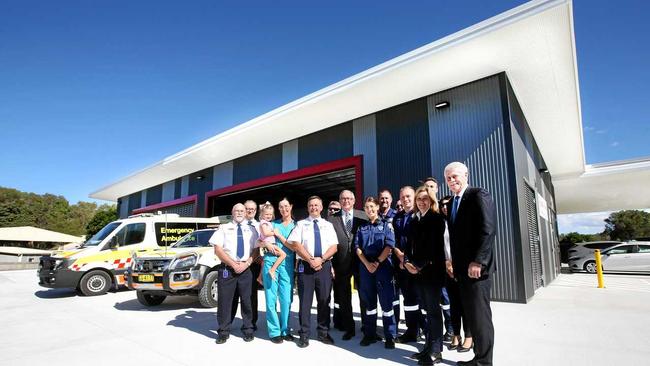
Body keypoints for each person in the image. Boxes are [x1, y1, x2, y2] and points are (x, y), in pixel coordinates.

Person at [444, 162, 497, 366]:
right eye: (448, 178)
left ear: (466, 175)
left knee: (480, 317)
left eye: (455, 176)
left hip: (476, 269)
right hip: (462, 271)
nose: (452, 180)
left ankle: (484, 362)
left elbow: (488, 229)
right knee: (472, 316)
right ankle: (478, 357)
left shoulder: (478, 194)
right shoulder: (453, 202)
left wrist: (479, 261)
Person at [288, 195, 339, 348]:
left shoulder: (328, 225)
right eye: (311, 205)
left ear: (321, 207)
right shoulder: (301, 224)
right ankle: (304, 334)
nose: (314, 208)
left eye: (317, 205)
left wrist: (321, 259)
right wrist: (310, 259)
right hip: (306, 267)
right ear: (308, 207)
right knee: (305, 302)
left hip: (324, 266)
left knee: (324, 300)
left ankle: (323, 332)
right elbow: (296, 244)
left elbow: (334, 247)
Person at [404, 186, 447, 365]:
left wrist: (418, 266)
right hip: (418, 272)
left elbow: (434, 249)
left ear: (431, 201)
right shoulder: (414, 220)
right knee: (426, 311)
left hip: (432, 272)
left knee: (434, 312)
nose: (422, 202)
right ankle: (428, 347)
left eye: (425, 199)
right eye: (419, 199)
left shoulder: (437, 219)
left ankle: (436, 351)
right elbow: (409, 244)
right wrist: (407, 261)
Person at [211, 203, 259, 344]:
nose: (239, 213)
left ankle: (248, 329)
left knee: (248, 301)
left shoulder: (251, 229)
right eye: (236, 210)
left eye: (242, 211)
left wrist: (247, 263)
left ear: (245, 213)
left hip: (246, 268)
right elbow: (218, 249)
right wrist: (233, 264)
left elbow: (256, 250)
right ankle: (223, 331)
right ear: (232, 212)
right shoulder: (223, 228)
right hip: (228, 269)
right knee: (225, 301)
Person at [355, 196, 397, 349]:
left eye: (372, 206)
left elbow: (389, 245)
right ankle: (370, 334)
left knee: (386, 303)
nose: (370, 210)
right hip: (366, 269)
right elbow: (358, 248)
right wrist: (367, 264)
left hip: (383, 268)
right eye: (367, 207)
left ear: (378, 207)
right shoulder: (361, 228)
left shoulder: (387, 225)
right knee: (369, 304)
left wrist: (377, 262)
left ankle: (390, 336)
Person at [328, 190, 367, 340]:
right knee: (344, 297)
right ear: (339, 200)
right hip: (341, 264)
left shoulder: (362, 215)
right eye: (343, 198)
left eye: (349, 198)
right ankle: (349, 328)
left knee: (364, 296)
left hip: (361, 263)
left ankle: (366, 326)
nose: (346, 201)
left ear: (354, 200)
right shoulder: (332, 219)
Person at [259, 199, 296, 344]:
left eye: (286, 206)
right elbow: (260, 240)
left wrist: (279, 236)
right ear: (278, 209)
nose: (284, 209)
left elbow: (294, 247)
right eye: (281, 207)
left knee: (286, 300)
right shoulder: (271, 224)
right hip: (270, 261)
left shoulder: (296, 226)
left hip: (287, 265)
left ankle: (285, 330)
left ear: (291, 207)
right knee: (271, 298)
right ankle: (274, 331)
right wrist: (265, 243)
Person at [393, 186, 425, 343]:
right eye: (403, 196)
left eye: (408, 196)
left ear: (414, 196)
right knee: (409, 299)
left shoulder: (420, 215)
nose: (405, 199)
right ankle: (412, 331)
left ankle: (426, 331)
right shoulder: (397, 217)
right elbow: (395, 240)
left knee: (423, 300)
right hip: (403, 266)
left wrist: (408, 261)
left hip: (419, 266)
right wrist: (400, 258)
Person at [440, 195, 473, 352]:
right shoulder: (441, 224)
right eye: (442, 205)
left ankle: (468, 336)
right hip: (447, 268)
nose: (445, 207)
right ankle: (455, 335)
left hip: (463, 268)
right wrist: (447, 264)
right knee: (454, 305)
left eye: (448, 205)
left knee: (465, 303)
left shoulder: (461, 220)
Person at [422, 176, 453, 341]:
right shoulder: (422, 211)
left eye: (432, 186)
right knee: (431, 302)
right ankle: (432, 334)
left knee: (446, 297)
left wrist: (449, 261)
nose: (429, 189)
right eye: (426, 186)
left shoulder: (442, 209)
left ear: (437, 188)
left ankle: (451, 329)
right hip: (429, 265)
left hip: (445, 262)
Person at [232, 200, 262, 330]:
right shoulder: (235, 225)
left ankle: (251, 322)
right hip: (237, 263)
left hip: (254, 264)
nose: (250, 211)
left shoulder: (260, 225)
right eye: (247, 208)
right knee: (234, 294)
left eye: (253, 209)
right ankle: (229, 321)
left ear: (256, 211)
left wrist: (260, 258)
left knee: (251, 295)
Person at [256, 203, 286, 286]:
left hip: (267, 245)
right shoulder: (264, 223)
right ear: (262, 214)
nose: (269, 216)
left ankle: (259, 277)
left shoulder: (267, 223)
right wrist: (274, 233)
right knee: (283, 255)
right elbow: (265, 233)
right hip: (269, 244)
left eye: (270, 214)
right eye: (266, 214)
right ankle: (272, 270)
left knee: (264, 262)